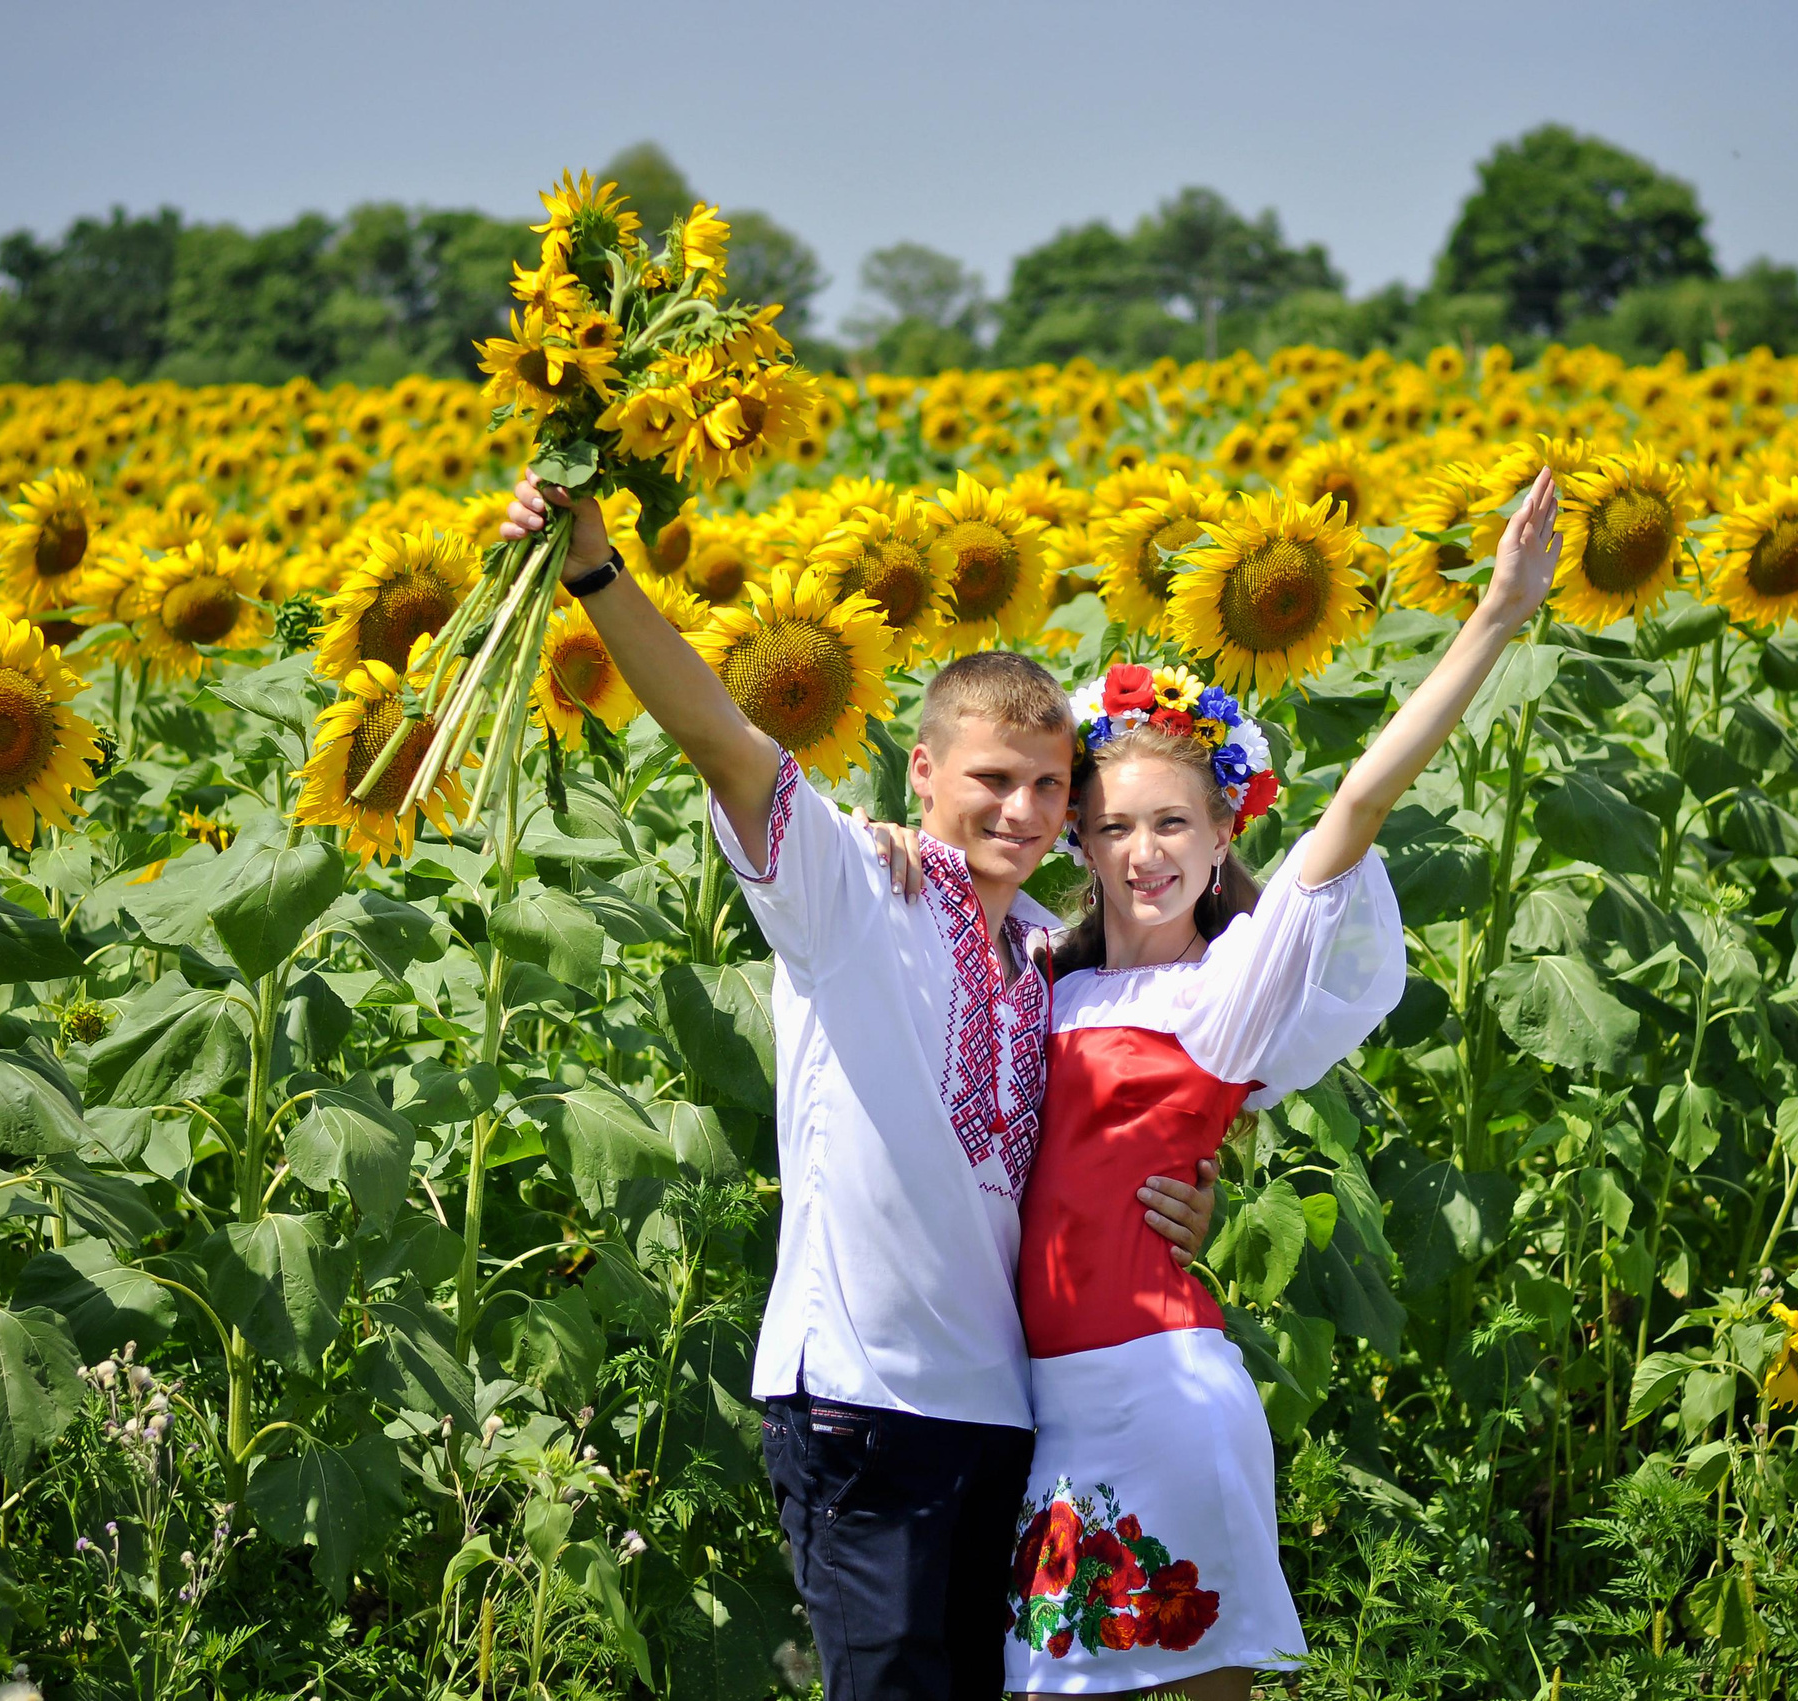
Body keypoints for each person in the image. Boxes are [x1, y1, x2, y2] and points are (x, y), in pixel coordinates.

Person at [497, 475, 1220, 1701]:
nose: (1024, 810)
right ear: (924, 772)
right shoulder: (849, 888)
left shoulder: (1052, 951)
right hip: (862, 1402)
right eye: (993, 779)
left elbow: (1143, 1091)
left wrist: (1187, 1201)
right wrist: (596, 574)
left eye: (1050, 788)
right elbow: (721, 739)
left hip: (1005, 1410)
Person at [862, 469, 1563, 1698]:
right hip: (1042, 1416)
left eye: (1175, 825)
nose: (1144, 854)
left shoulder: (1227, 987)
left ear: (1225, 834)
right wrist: (887, 842)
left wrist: (1494, 618)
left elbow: (1359, 800)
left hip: (1165, 1391)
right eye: (1116, 826)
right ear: (1076, 839)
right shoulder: (1038, 973)